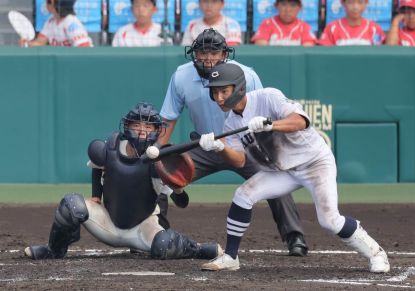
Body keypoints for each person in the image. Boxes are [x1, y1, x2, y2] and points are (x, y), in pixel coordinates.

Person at [199, 62, 391, 273]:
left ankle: (376, 253)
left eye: (223, 91)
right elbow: (239, 161)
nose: (219, 98)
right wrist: (219, 147)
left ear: (239, 88)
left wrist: (271, 124)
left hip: (314, 163)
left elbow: (301, 121)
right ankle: (231, 256)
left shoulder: (268, 97)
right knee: (243, 194)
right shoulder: (230, 124)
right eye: (215, 92)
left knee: (329, 220)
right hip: (282, 171)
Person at [159, 28, 308, 257]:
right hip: (206, 144)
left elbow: (262, 112)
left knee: (275, 178)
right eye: (202, 52)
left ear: (224, 54)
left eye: (214, 52)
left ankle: (294, 236)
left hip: (245, 144)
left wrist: (268, 152)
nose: (208, 58)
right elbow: (169, 119)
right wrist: (158, 153)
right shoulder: (181, 76)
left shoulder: (247, 76)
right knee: (159, 174)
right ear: (194, 53)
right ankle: (156, 232)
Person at [24, 102, 221, 261]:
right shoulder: (111, 146)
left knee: (164, 244)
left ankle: (198, 249)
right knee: (71, 204)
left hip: (141, 228)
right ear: (127, 127)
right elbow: (97, 167)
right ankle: (53, 250)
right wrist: (96, 196)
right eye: (137, 125)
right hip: (107, 222)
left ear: (156, 130)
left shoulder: (159, 161)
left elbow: (182, 203)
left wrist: (178, 188)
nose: (142, 131)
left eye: (148, 126)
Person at [19, 0, 92, 47]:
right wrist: (28, 44)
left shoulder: (71, 22)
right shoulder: (50, 21)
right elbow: (40, 42)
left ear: (58, 4)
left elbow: (85, 47)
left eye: (49, 1)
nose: (46, 3)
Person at [319, 0, 385, 46]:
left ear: (366, 3)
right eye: (350, 2)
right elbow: (324, 54)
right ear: (343, 3)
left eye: (360, 2)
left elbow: (378, 54)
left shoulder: (374, 28)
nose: (355, 7)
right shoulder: (332, 28)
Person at [251, 0, 317, 46]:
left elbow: (307, 49)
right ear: (276, 6)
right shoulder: (267, 24)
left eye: (293, 5)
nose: (288, 10)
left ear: (299, 8)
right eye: (283, 4)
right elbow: (261, 47)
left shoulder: (304, 26)